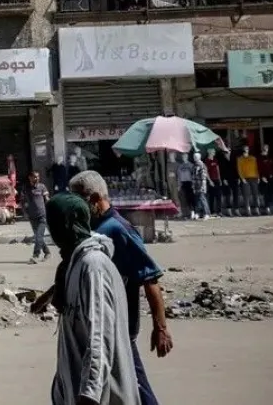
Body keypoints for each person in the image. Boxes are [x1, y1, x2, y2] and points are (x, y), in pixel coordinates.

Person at [62, 170, 172, 405]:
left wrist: (160, 327)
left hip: (119, 327)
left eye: (77, 200)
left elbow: (150, 279)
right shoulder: (94, 229)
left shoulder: (118, 229)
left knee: (137, 388)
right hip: (99, 324)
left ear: (93, 199)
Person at [45, 193, 141, 405]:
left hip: (101, 397)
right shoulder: (72, 264)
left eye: (54, 223)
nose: (50, 231)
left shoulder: (93, 266)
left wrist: (89, 394)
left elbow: (100, 337)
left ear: (69, 224)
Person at [24, 171, 50, 264]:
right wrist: (25, 212)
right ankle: (47, 252)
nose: (37, 178)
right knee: (38, 237)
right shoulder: (26, 188)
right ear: (30, 178)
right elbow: (23, 202)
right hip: (32, 216)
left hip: (42, 215)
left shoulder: (42, 187)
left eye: (38, 177)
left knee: (39, 236)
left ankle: (35, 255)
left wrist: (51, 207)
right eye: (35, 177)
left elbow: (47, 199)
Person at [191, 152, 212, 220]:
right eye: (194, 157)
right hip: (196, 185)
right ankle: (197, 213)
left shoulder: (202, 165)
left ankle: (207, 213)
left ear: (199, 157)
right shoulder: (194, 166)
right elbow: (193, 177)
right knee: (197, 200)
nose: (195, 158)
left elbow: (203, 177)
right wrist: (193, 186)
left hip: (201, 185)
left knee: (203, 199)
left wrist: (202, 187)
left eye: (196, 157)